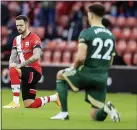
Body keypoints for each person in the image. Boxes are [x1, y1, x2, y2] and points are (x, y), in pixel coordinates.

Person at [50, 3, 120, 122]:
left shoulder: (87, 33)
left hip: (86, 74)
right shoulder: (111, 36)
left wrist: (73, 67)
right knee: (95, 116)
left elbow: (80, 57)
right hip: (102, 78)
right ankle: (106, 108)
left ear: (91, 15)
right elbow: (110, 61)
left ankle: (64, 113)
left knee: (60, 75)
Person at [3, 15, 61, 109]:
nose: (19, 27)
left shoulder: (34, 37)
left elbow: (37, 56)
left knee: (14, 70)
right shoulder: (16, 39)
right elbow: (13, 57)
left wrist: (19, 66)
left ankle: (15, 102)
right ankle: (54, 97)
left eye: (21, 25)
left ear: (27, 24)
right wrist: (10, 66)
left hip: (35, 71)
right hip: (26, 73)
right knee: (29, 104)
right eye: (17, 25)